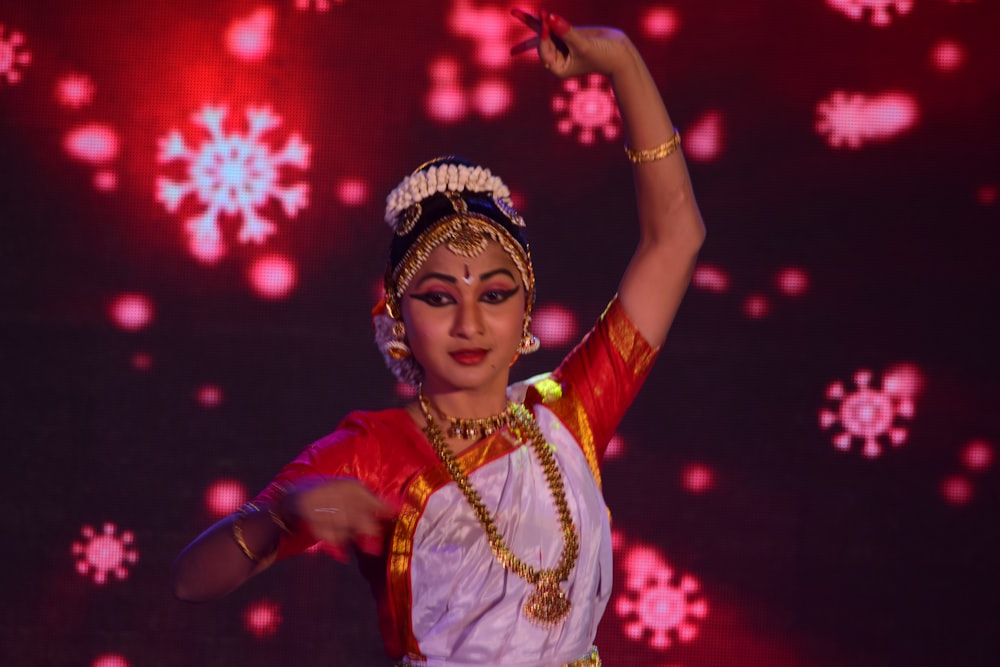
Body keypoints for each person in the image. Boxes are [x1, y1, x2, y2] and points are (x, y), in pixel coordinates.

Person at [171, 9, 705, 667]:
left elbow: (675, 236)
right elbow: (192, 580)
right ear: (398, 319)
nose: (470, 322)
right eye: (439, 297)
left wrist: (622, 61)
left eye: (495, 294)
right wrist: (281, 515)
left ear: (525, 312)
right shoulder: (371, 449)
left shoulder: (570, 414)